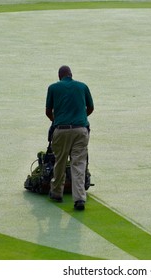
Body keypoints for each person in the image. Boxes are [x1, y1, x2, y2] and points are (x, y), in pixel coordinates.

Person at [45, 65, 94, 210]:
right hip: (80, 130)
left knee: (60, 161)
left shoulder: (53, 88)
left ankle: (56, 193)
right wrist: (80, 118)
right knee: (78, 164)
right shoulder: (83, 86)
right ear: (71, 75)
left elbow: (48, 112)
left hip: (61, 130)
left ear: (59, 76)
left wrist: (57, 119)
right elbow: (91, 108)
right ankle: (79, 199)